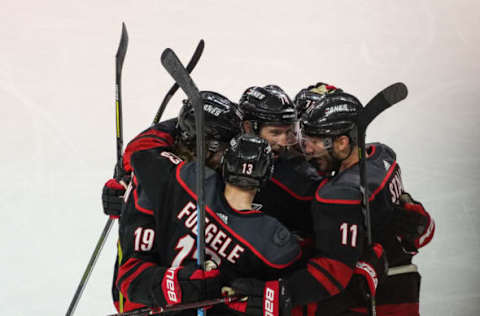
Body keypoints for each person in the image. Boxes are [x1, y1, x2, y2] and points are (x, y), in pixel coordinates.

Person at [117, 132, 302, 315]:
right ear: (267, 176)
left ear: (225, 165)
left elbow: (142, 158)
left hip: (162, 304)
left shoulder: (188, 180)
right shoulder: (273, 241)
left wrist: (124, 182)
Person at [293, 90, 435, 315]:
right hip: (404, 289)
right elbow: (419, 230)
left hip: (376, 300)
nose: (308, 149)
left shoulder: (337, 195)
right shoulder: (382, 158)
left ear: (342, 142)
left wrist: (275, 292)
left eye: (316, 141)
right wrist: (420, 224)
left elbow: (330, 276)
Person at [103, 91, 245, 312]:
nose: (234, 159)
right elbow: (132, 276)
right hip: (149, 305)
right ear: (203, 147)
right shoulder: (157, 185)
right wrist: (180, 284)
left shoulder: (212, 172)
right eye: (227, 150)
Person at [238, 85, 322, 243]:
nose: (284, 142)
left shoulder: (301, 183)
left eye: (289, 132)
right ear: (248, 127)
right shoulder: (224, 141)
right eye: (275, 133)